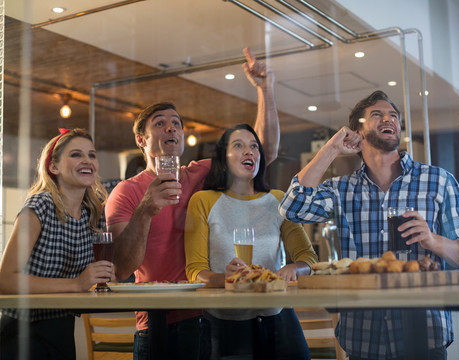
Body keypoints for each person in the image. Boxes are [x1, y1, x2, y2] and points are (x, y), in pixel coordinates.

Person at [279, 90, 459, 360]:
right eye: (376, 114)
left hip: (424, 334)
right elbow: (292, 207)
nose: (388, 118)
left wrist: (433, 240)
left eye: (393, 115)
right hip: (363, 336)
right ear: (356, 132)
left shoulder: (438, 181)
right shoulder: (342, 189)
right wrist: (331, 149)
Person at [105, 48, 280, 360]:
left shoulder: (198, 174)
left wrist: (264, 89)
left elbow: (261, 152)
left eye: (176, 123)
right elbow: (121, 268)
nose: (171, 128)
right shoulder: (126, 192)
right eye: (160, 123)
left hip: (203, 317)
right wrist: (146, 209)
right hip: (154, 322)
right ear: (141, 140)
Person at [185, 123, 317, 359]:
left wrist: (294, 268)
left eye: (254, 146)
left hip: (279, 319)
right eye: (239, 145)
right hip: (224, 323)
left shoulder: (278, 200)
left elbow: (309, 258)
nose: (249, 152)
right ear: (223, 158)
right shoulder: (203, 201)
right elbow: (194, 270)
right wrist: (223, 279)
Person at [0, 128, 113, 359]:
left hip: (62, 328)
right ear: (54, 167)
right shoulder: (40, 205)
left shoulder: (91, 214)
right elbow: (5, 280)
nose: (87, 160)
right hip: (23, 332)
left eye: (92, 155)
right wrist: (77, 284)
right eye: (76, 154)